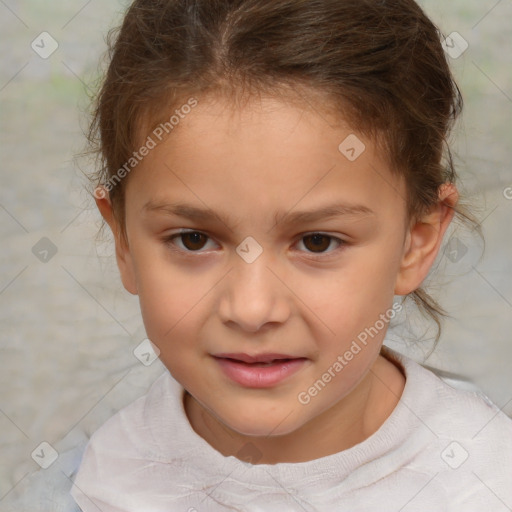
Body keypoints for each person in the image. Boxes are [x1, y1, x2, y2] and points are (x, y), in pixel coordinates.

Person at [70, 0, 512, 510]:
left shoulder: (485, 483)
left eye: (317, 242)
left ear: (416, 239)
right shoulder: (114, 475)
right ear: (123, 239)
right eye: (193, 239)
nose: (253, 309)